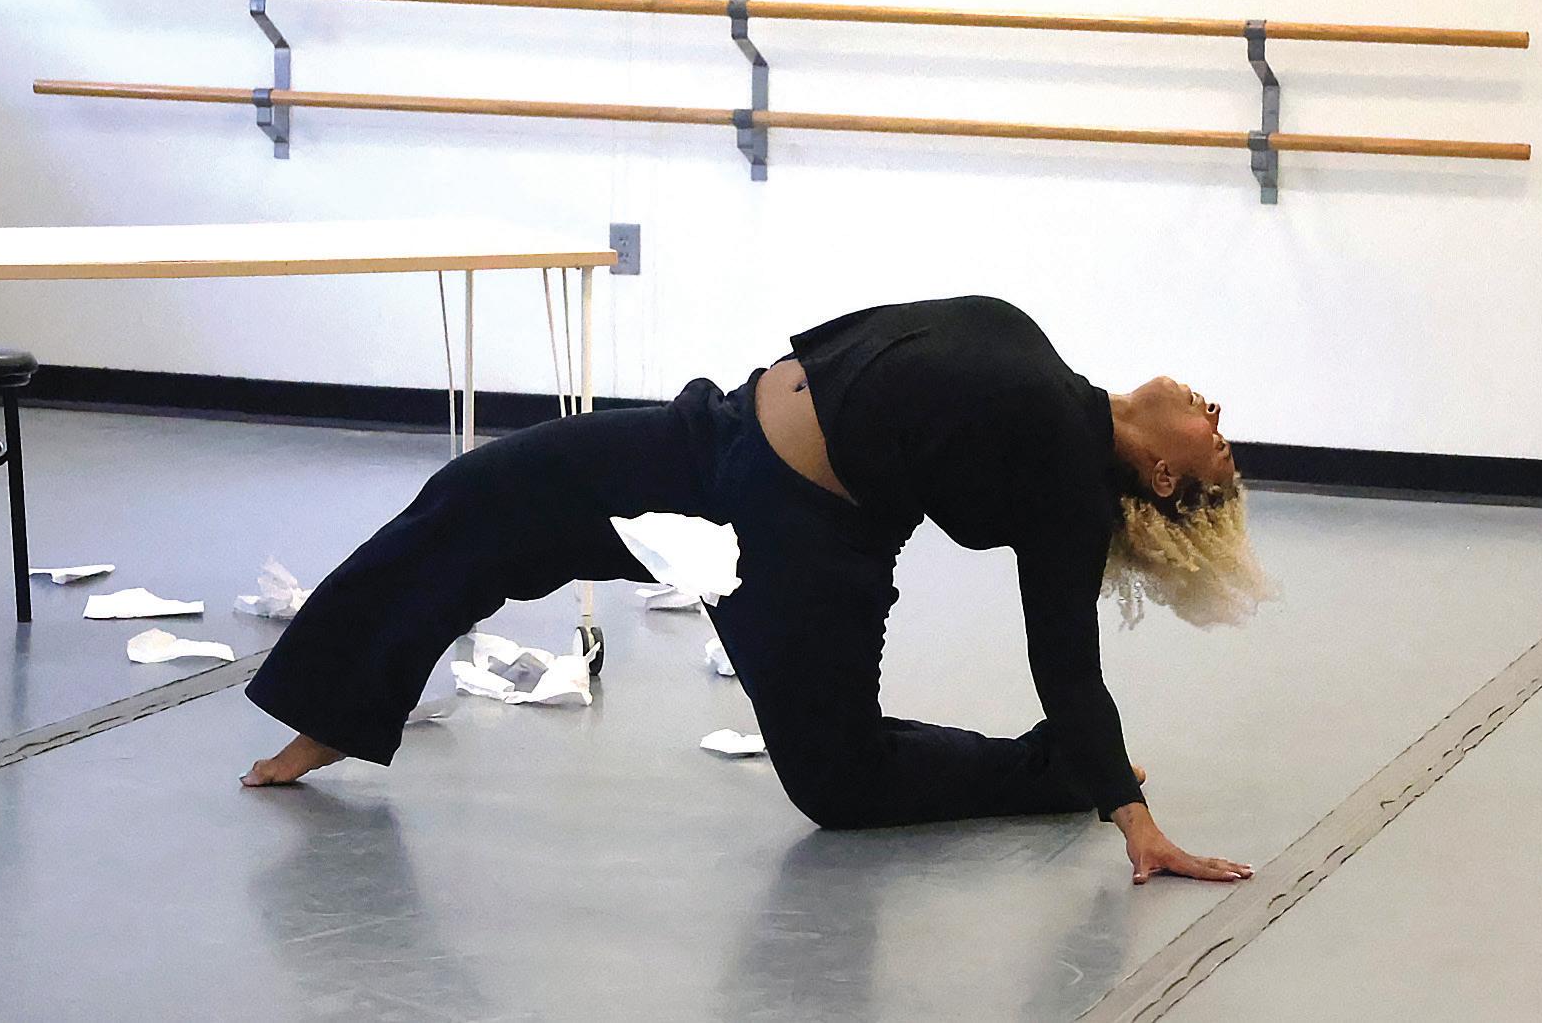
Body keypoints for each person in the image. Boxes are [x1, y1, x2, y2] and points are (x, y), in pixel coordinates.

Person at [241, 295, 1276, 885]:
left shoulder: (1066, 491)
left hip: (798, 548)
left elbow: (1065, 656)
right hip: (717, 442)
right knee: (482, 495)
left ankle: (1050, 772)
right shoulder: (1047, 368)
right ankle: (336, 711)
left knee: (842, 785)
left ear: (1165, 475)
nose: (1217, 414)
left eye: (1217, 444)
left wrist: (1127, 811)